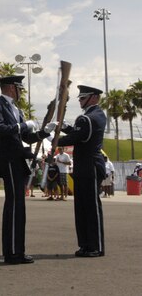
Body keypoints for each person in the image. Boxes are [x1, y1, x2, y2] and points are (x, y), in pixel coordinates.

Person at [0, 75, 48, 264]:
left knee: (19, 206)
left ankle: (17, 250)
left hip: (18, 160)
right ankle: (12, 252)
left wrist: (44, 132)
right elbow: (0, 128)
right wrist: (22, 125)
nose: (21, 91)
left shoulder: (16, 109)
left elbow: (27, 137)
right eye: (19, 88)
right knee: (14, 205)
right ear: (12, 88)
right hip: (9, 159)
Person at [54, 85, 106, 258]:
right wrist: (64, 126)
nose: (80, 101)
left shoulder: (86, 119)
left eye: (83, 98)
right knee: (82, 207)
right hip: (87, 165)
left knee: (90, 207)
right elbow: (80, 134)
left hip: (89, 165)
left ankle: (95, 246)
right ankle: (86, 244)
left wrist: (51, 138)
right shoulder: (95, 116)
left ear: (93, 98)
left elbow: (75, 137)